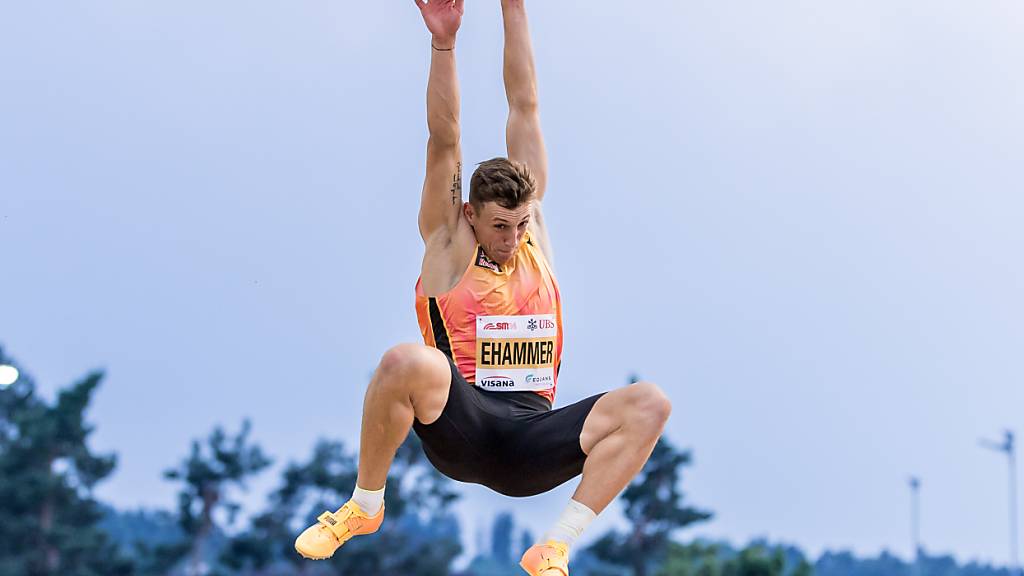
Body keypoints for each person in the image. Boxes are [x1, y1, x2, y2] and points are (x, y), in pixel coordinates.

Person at [294, 1, 672, 574]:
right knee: (405, 360)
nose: (512, 236)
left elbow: (526, 103)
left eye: (520, 224)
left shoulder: (529, 234)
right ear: (469, 214)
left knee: (650, 402)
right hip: (463, 425)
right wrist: (444, 44)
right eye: (500, 225)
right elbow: (443, 139)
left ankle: (555, 546)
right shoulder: (450, 244)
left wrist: (513, 8)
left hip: (534, 440)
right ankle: (364, 506)